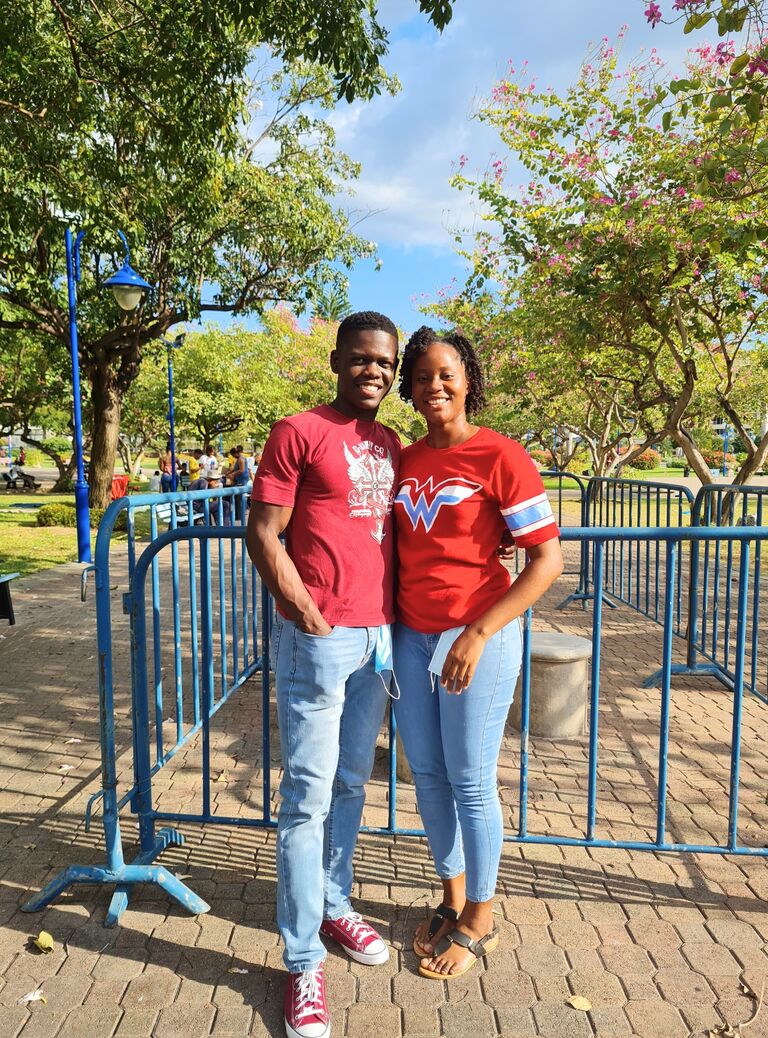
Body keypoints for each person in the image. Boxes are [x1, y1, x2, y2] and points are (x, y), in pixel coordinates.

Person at [392, 326, 564, 982]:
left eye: (446, 373)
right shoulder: (407, 461)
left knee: (469, 779)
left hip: (477, 640)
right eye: (422, 376)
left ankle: (482, 917)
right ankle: (453, 898)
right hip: (411, 638)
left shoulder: (501, 457)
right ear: (408, 389)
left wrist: (477, 632)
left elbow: (546, 559)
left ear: (468, 380)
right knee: (427, 777)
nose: (434, 385)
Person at [246, 311, 401, 1038]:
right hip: (320, 636)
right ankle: (303, 962)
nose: (375, 371)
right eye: (364, 359)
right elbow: (263, 530)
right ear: (338, 360)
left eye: (386, 364)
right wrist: (304, 609)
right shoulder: (298, 431)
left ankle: (335, 904)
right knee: (306, 798)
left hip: (378, 640)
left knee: (348, 783)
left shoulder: (390, 442)